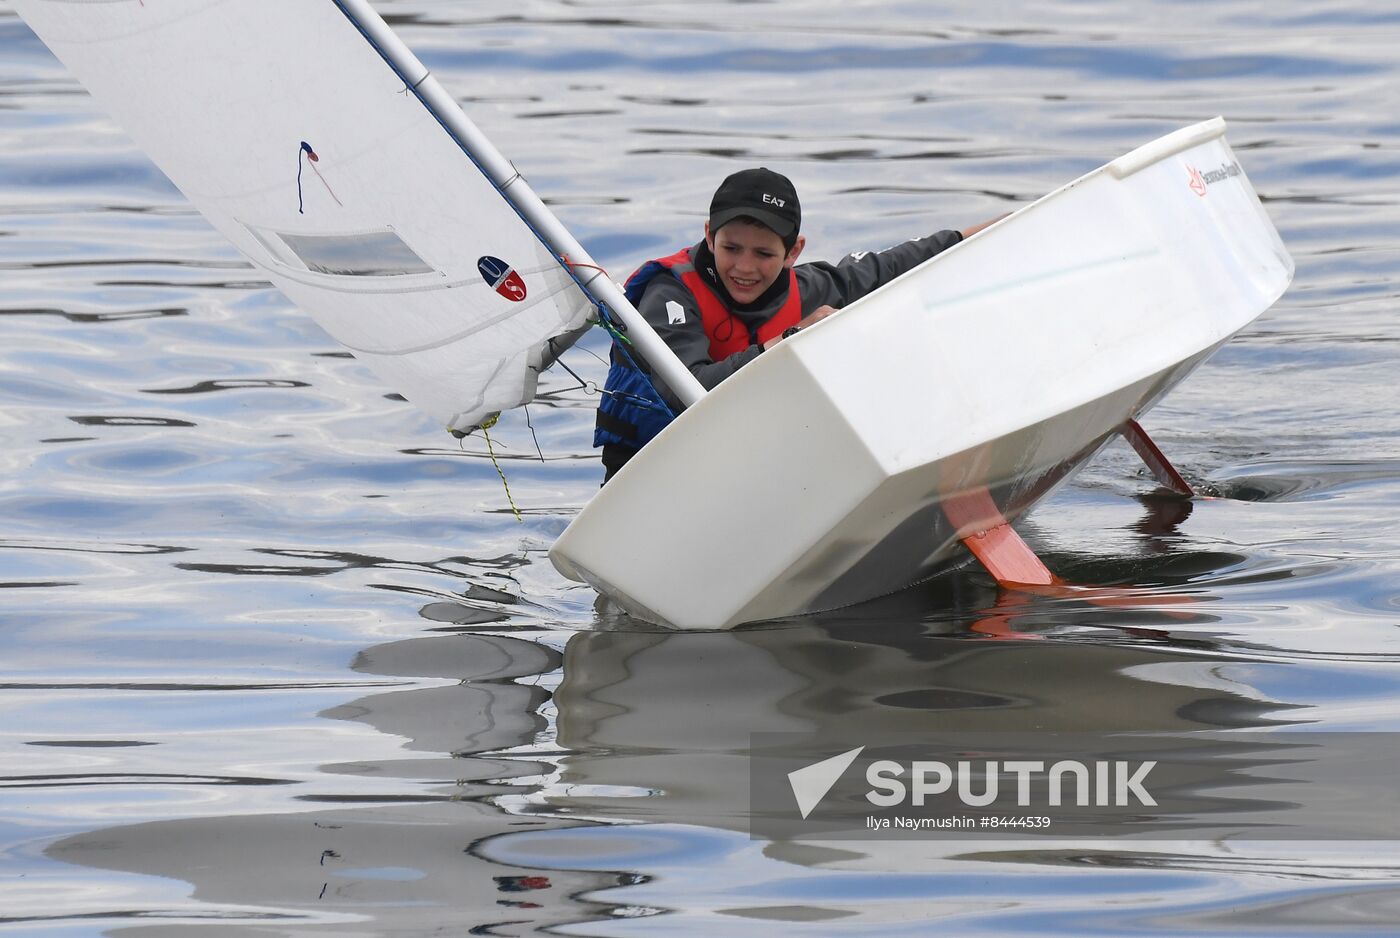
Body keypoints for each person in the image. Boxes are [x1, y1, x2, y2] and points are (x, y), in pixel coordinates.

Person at [594, 167, 1000, 482]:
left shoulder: (807, 288)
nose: (745, 267)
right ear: (709, 235)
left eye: (764, 253)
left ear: (794, 251)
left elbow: (897, 264)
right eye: (731, 248)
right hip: (648, 476)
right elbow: (683, 392)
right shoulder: (670, 294)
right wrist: (788, 341)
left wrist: (1019, 224)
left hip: (744, 472)